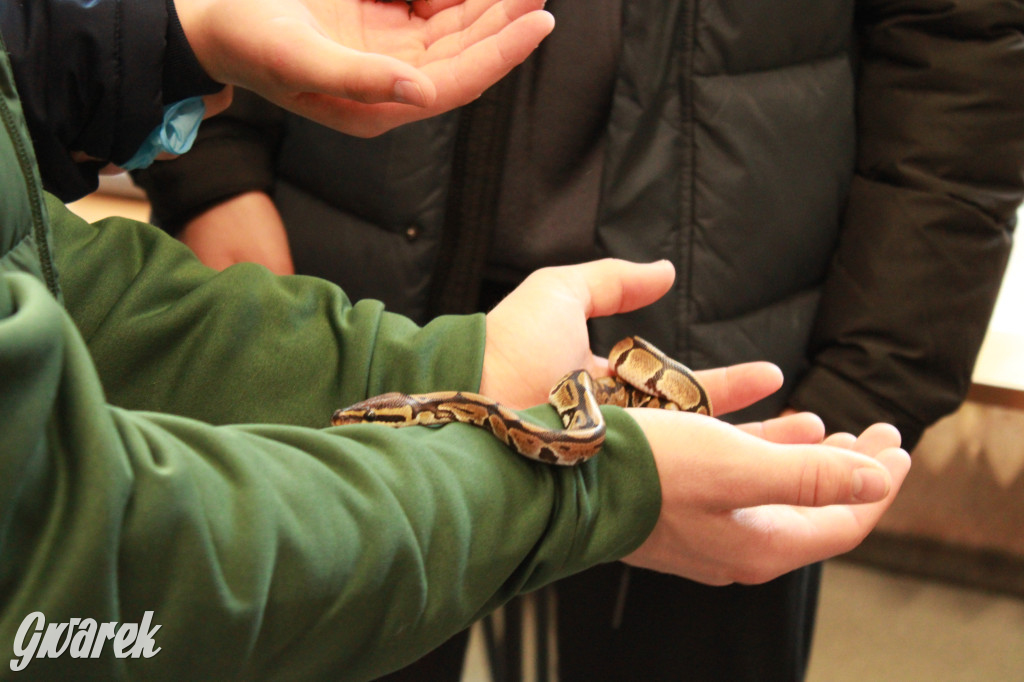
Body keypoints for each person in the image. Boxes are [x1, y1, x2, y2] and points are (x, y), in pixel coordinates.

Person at [0, 0, 914, 679]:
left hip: (628, 346)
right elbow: (82, 561)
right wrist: (579, 493)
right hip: (460, 342)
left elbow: (44, 269)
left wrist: (168, 34)